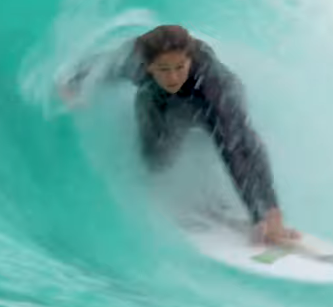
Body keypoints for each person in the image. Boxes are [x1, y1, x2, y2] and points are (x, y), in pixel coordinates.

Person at [61, 25, 299, 246]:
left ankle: (237, 202)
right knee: (156, 160)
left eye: (179, 67)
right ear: (148, 65)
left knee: (227, 139)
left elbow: (241, 144)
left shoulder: (214, 82)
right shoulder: (133, 61)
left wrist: (267, 212)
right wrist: (71, 86)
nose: (173, 77)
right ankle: (193, 194)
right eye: (164, 69)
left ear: (190, 60)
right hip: (162, 103)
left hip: (209, 100)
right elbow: (95, 66)